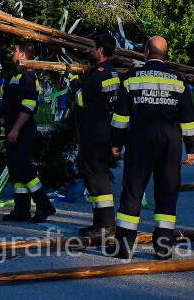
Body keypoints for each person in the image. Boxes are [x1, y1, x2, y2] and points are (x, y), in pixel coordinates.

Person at [109, 36, 194, 260]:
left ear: (146, 53)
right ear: (165, 55)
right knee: (167, 192)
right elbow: (188, 119)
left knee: (133, 191)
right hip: (170, 143)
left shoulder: (131, 77)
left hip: (140, 140)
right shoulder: (178, 80)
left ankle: (123, 247)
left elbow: (120, 117)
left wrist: (116, 143)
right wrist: (191, 148)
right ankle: (163, 247)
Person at [0, 41, 55, 223]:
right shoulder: (14, 75)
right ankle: (21, 210)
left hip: (22, 130)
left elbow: (29, 106)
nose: (12, 53)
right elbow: (0, 92)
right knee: (15, 169)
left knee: (24, 168)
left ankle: (44, 205)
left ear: (22, 55)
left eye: (15, 50)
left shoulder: (28, 76)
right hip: (13, 129)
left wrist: (16, 129)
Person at [74, 33, 120, 239]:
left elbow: (82, 100)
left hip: (94, 132)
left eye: (93, 47)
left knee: (97, 178)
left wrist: (74, 83)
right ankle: (99, 223)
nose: (91, 51)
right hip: (104, 130)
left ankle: (106, 225)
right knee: (96, 177)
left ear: (100, 50)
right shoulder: (112, 72)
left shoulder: (99, 74)